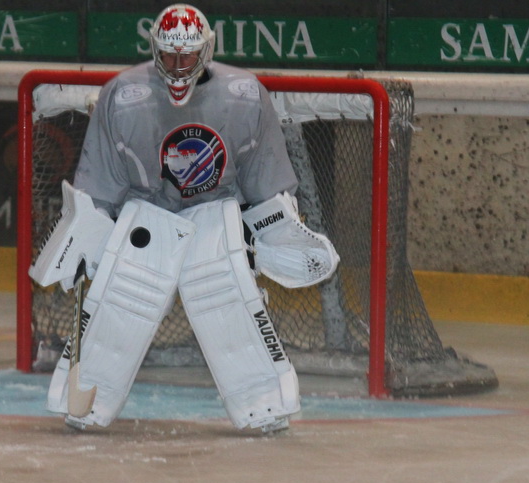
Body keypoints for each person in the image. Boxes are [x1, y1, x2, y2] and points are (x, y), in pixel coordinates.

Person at [29, 4, 339, 434]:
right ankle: (85, 402)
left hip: (216, 217)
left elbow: (264, 181)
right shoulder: (121, 95)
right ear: (154, 49)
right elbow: (99, 185)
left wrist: (271, 233)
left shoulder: (246, 95)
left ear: (206, 50)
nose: (178, 66)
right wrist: (87, 241)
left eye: (187, 55)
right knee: (117, 299)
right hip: (146, 217)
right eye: (169, 55)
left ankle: (264, 403)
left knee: (227, 293)